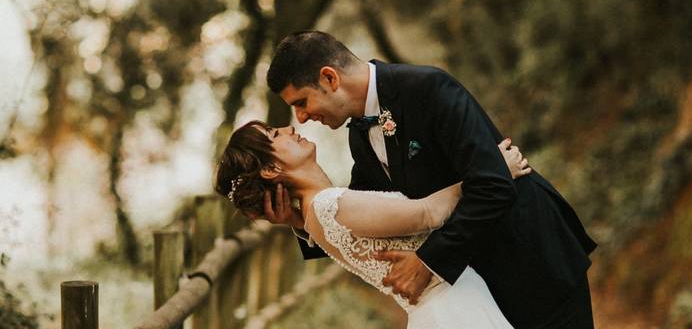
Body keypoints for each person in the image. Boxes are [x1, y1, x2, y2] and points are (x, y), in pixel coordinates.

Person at [262, 31, 597, 328]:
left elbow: (494, 186)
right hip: (477, 289)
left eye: (302, 102)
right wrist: (299, 220)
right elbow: (359, 221)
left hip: (533, 265)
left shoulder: (428, 89)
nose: (301, 117)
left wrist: (428, 263)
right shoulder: (359, 135)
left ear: (330, 78)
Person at [216, 120, 531, 328]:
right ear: (270, 169)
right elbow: (428, 214)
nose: (287, 127)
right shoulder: (328, 206)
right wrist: (493, 169)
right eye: (274, 134)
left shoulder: (316, 215)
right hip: (456, 310)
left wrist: (294, 221)